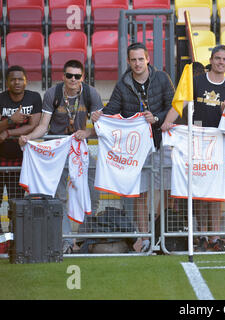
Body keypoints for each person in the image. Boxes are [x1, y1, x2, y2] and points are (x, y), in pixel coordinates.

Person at [92, 42, 175, 252]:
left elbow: (174, 106)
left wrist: (156, 118)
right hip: (137, 148)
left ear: (147, 59)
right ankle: (145, 237)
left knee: (167, 190)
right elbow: (112, 111)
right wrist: (98, 116)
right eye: (133, 60)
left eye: (141, 59)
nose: (137, 63)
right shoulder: (123, 84)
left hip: (161, 141)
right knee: (141, 193)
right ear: (128, 62)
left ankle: (159, 231)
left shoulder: (162, 78)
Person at [19, 60, 102, 253]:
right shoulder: (53, 93)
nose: (73, 79)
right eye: (69, 75)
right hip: (57, 150)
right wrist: (28, 137)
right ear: (63, 76)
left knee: (93, 191)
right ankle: (66, 240)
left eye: (77, 76)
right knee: (59, 196)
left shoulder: (91, 93)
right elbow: (42, 126)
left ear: (83, 77)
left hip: (80, 149)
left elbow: (101, 127)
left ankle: (84, 238)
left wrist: (87, 132)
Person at [162, 45, 225, 251]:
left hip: (218, 143)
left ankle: (215, 237)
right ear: (211, 60)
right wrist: (168, 122)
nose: (221, 62)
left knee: (216, 193)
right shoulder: (196, 82)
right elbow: (180, 105)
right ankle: (201, 234)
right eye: (218, 58)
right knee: (199, 192)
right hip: (196, 142)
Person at [0, 66, 42, 217]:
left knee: (16, 203)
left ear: (26, 81)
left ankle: (14, 239)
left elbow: (34, 125)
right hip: (1, 158)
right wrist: (11, 119)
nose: (17, 82)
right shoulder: (1, 98)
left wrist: (8, 131)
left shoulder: (34, 97)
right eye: (13, 79)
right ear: (7, 83)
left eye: (20, 79)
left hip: (21, 160)